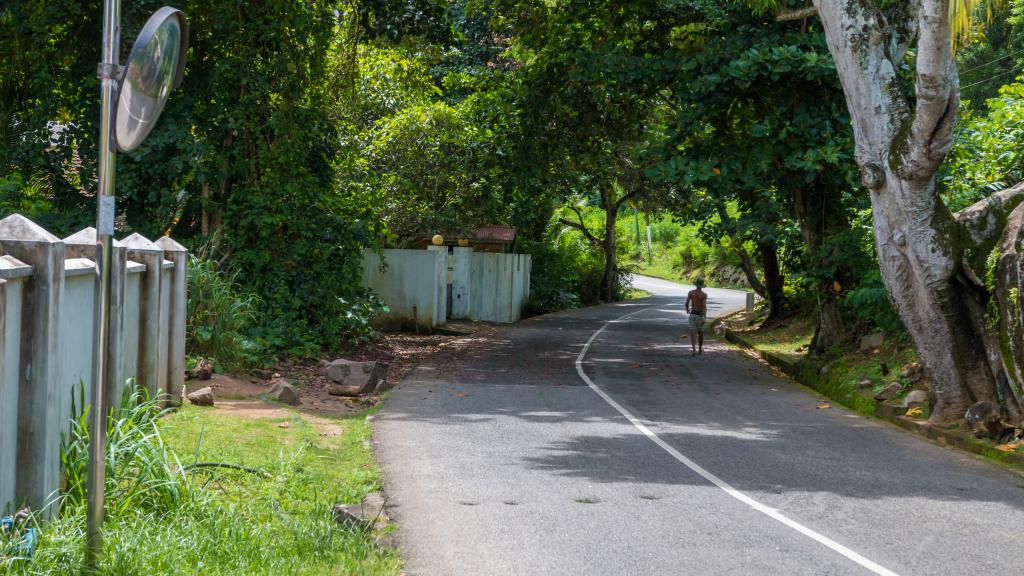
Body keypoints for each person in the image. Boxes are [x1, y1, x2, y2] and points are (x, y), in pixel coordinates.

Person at [685, 278, 708, 356]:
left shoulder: (691, 293)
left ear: (696, 284)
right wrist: (704, 317)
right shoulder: (704, 295)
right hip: (700, 315)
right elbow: (704, 306)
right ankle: (700, 349)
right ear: (702, 286)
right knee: (701, 333)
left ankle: (694, 349)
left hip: (693, 314)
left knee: (693, 332)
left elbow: (687, 303)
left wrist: (687, 310)